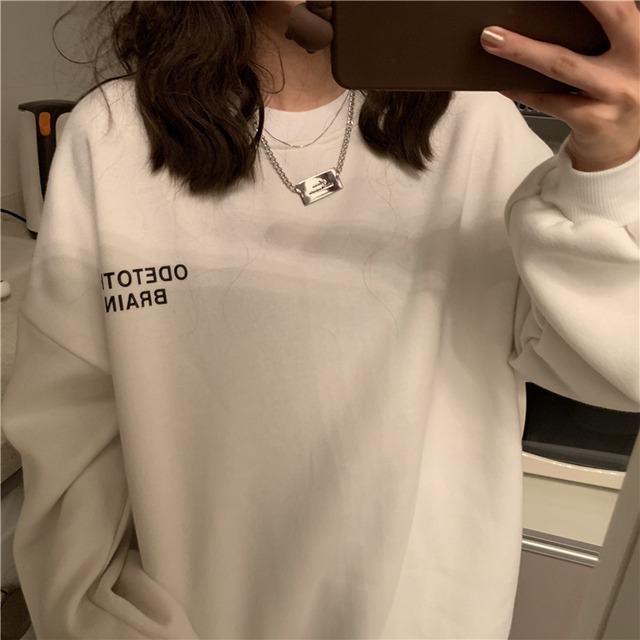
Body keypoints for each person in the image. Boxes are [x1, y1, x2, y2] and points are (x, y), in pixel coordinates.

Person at [3, 1, 638, 638]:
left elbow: (616, 367)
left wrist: (609, 174)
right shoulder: (112, 134)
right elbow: (70, 460)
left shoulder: (477, 125)